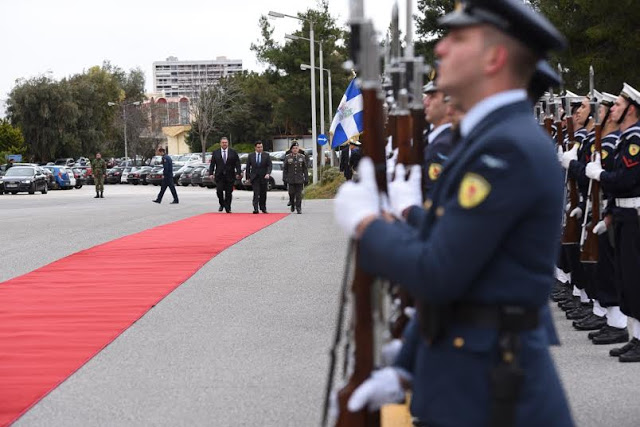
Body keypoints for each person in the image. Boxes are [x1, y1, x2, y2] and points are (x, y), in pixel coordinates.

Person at [334, 1, 573, 426]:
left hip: (493, 393)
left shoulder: (506, 148)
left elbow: (438, 270)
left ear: (494, 58)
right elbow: (452, 262)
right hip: (469, 377)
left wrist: (368, 223)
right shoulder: (489, 140)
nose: (440, 49)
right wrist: (407, 366)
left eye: (457, 38)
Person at [586, 83, 640, 362]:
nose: (612, 110)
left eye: (617, 105)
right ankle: (636, 338)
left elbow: (626, 180)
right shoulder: (624, 139)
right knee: (627, 280)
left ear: (631, 109)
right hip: (622, 216)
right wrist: (608, 215)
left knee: (635, 279)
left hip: (635, 218)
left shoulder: (635, 140)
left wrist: (599, 175)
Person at [209, 137, 241, 213]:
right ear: (220, 143)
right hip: (219, 176)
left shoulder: (233, 152)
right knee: (219, 191)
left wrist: (238, 172)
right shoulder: (215, 152)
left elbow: (237, 163)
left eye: (225, 142)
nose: (224, 144)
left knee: (228, 193)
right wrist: (211, 173)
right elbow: (212, 164)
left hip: (230, 175)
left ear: (228, 143)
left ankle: (228, 207)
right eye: (223, 142)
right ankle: (222, 204)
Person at [245, 141, 273, 214]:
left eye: (261, 147)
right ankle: (255, 208)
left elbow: (270, 165)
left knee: (263, 193)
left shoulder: (266, 155)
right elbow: (248, 167)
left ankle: (263, 208)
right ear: (255, 148)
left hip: (264, 177)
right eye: (258, 147)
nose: (260, 148)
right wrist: (248, 177)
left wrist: (268, 173)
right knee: (256, 193)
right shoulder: (251, 155)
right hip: (255, 177)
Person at [283, 141, 308, 214]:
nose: (295, 150)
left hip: (299, 179)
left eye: (296, 148)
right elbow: (285, 169)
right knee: (291, 193)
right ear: (291, 149)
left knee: (299, 195)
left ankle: (298, 208)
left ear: (298, 149)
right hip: (291, 179)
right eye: (293, 148)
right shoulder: (288, 157)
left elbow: (305, 169)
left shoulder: (302, 157)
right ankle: (292, 203)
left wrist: (306, 178)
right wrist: (284, 178)